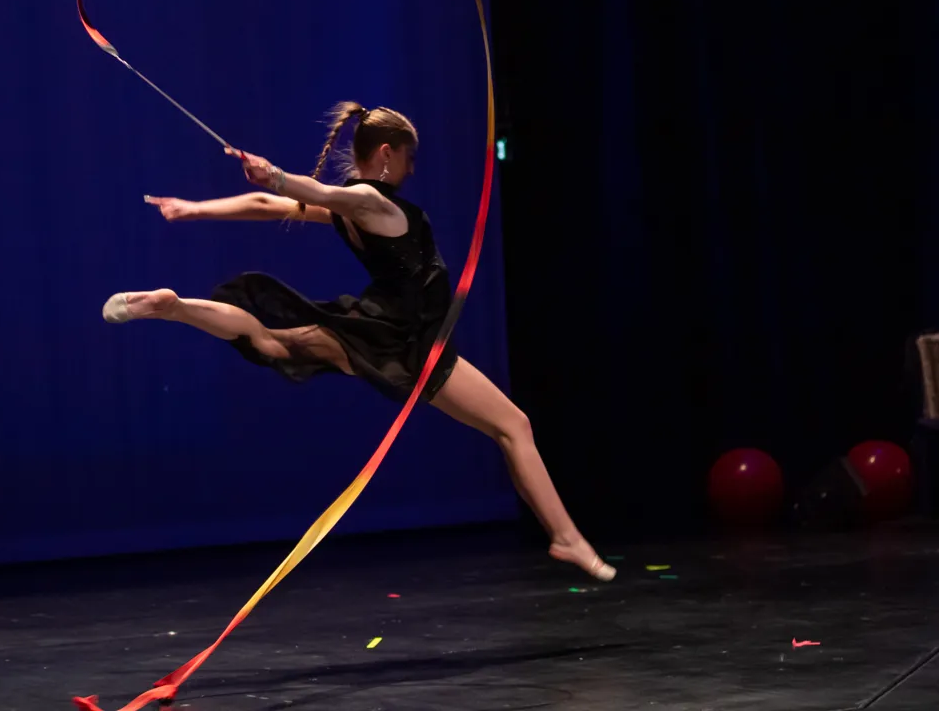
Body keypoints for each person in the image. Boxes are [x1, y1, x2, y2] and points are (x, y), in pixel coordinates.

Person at [102, 102, 615, 581]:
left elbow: (267, 204)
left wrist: (194, 209)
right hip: (407, 342)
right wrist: (277, 174)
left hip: (367, 328)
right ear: (387, 155)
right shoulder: (370, 201)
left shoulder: (353, 212)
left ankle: (176, 308)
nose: (412, 170)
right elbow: (312, 192)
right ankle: (566, 537)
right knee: (514, 426)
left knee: (270, 343)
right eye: (410, 159)